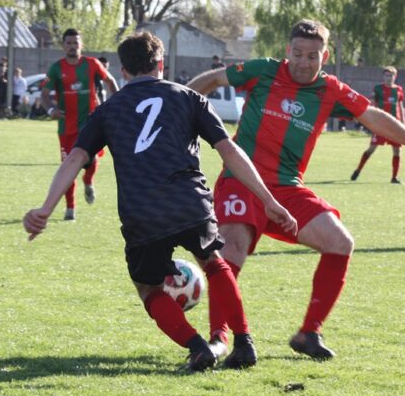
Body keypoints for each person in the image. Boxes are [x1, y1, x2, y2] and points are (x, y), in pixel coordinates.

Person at [187, 19, 405, 360]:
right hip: (241, 181)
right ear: (287, 51)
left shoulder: (330, 89)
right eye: (298, 54)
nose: (304, 63)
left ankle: (309, 333)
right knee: (232, 251)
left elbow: (374, 116)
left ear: (325, 55)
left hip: (288, 189)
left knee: (340, 242)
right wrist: (178, 106)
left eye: (313, 56)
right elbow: (213, 79)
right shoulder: (263, 71)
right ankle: (220, 338)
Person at [24, 31, 297, 372]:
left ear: (123, 71)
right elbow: (229, 150)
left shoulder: (108, 110)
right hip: (189, 201)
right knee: (213, 260)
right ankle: (243, 343)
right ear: (161, 64)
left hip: (143, 212)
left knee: (148, 287)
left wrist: (45, 209)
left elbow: (75, 159)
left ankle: (199, 349)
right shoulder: (189, 98)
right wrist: (268, 199)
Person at [41, 28, 119, 220]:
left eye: (76, 43)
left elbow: (110, 80)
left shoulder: (92, 64)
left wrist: (117, 103)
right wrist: (51, 110)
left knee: (92, 161)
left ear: (81, 45)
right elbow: (44, 93)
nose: (72, 46)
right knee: (68, 167)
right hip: (66, 128)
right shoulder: (56, 68)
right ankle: (70, 209)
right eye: (69, 43)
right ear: (63, 45)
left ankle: (88, 181)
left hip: (91, 124)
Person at [351, 66, 405, 184]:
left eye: (391, 75)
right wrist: (371, 120)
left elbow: (400, 107)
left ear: (395, 77)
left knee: (397, 151)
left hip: (395, 125)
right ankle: (358, 170)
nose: (389, 78)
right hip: (381, 124)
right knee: (371, 149)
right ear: (383, 77)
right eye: (386, 75)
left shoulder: (399, 90)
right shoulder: (378, 89)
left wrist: (403, 123)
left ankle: (394, 177)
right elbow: (372, 104)